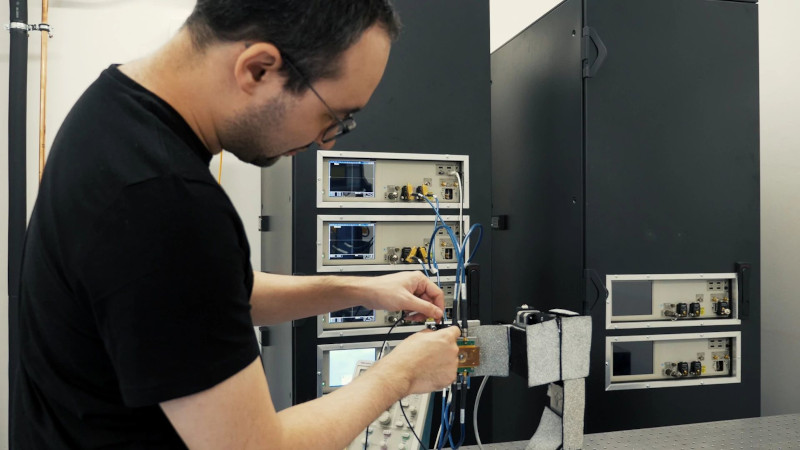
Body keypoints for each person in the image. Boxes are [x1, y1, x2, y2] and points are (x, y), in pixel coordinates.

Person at [11, 1, 462, 448]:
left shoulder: (114, 109)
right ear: (259, 69)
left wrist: (361, 290)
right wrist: (401, 374)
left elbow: (203, 296)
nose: (326, 142)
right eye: (334, 117)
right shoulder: (164, 198)